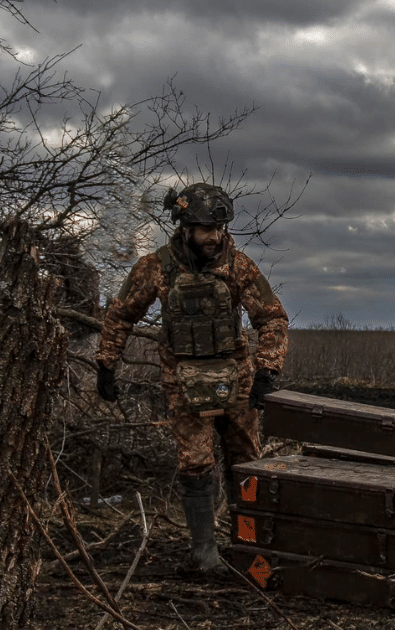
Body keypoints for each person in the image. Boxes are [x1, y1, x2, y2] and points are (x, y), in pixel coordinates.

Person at [95, 183, 289, 572]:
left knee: (247, 463)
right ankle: (204, 555)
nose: (215, 236)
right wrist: (106, 364)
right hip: (183, 381)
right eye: (206, 228)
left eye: (219, 228)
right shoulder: (157, 266)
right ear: (184, 227)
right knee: (196, 465)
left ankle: (248, 547)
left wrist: (268, 368)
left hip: (237, 380)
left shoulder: (238, 265)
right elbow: (120, 314)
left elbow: (272, 317)